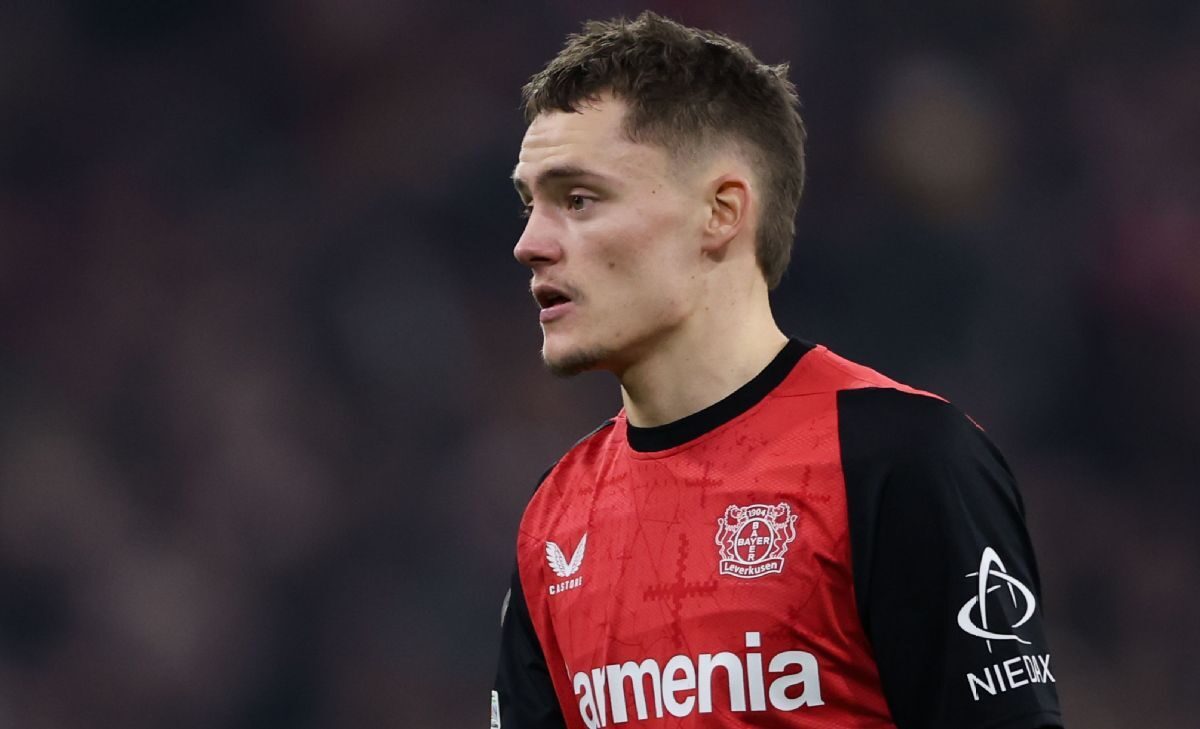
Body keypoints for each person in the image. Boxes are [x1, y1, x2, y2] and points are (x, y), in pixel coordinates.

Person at [492, 12, 1062, 729]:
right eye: (530, 204)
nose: (530, 243)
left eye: (578, 199)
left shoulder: (898, 460)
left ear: (721, 212)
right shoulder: (556, 519)